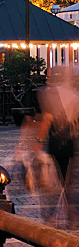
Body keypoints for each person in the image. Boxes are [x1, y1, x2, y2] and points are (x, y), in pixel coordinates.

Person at [36, 68, 79, 226]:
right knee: (66, 180)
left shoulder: (53, 96)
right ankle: (72, 216)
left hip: (56, 142)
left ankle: (53, 216)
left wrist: (38, 141)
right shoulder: (74, 95)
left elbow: (47, 119)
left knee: (55, 181)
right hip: (69, 142)